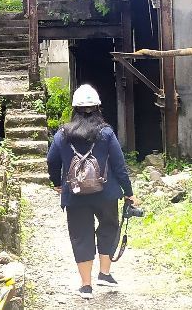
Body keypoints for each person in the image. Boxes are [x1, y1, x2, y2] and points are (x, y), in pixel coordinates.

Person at [46, 84, 138, 299]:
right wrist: (129, 191)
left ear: (74, 109)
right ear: (98, 108)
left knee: (80, 235)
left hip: (74, 195)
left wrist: (56, 183)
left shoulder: (62, 134)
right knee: (109, 227)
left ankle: (86, 285)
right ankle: (104, 274)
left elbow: (51, 160)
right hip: (106, 193)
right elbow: (119, 164)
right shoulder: (106, 133)